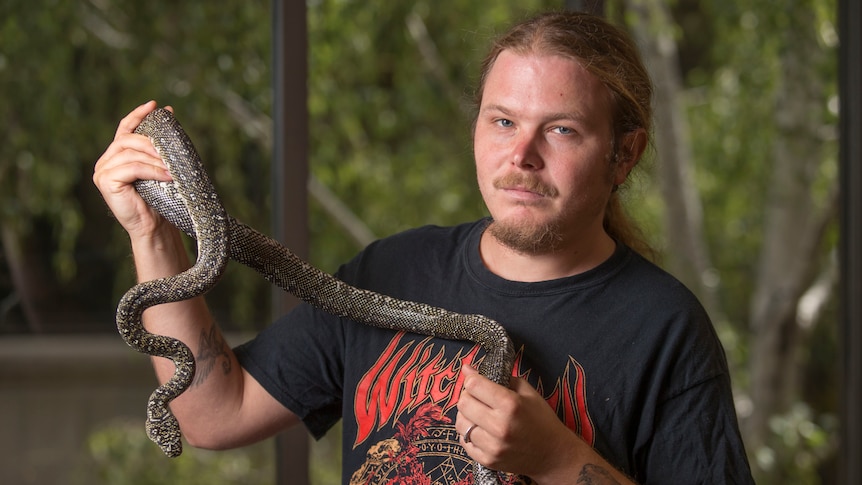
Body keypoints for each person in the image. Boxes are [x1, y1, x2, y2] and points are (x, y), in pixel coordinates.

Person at [93, 11, 754, 485]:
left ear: (624, 154)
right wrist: (153, 232)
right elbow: (214, 412)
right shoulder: (393, 271)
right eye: (502, 121)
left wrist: (554, 460)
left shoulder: (665, 327)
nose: (521, 155)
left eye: (561, 130)